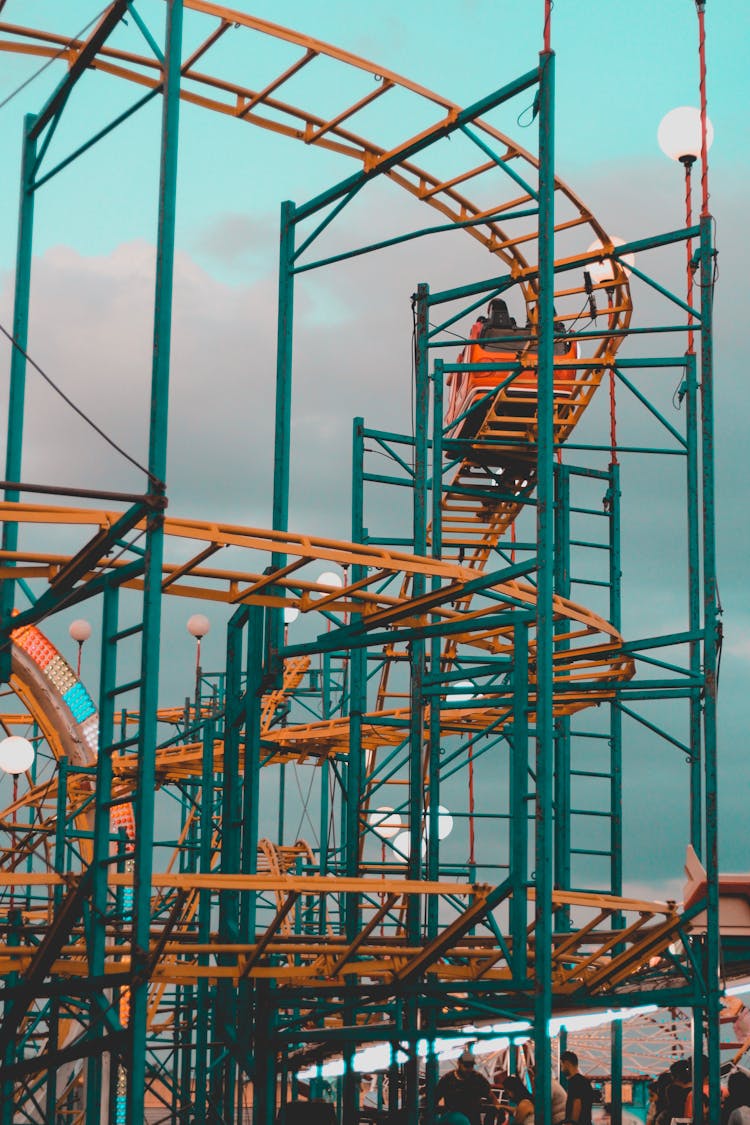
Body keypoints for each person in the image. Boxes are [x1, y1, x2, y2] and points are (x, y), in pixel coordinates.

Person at [436, 1049, 503, 1125]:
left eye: (471, 1066)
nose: (469, 1069)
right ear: (459, 1063)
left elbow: (491, 1096)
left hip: (473, 1120)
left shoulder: (478, 1078)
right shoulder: (447, 1079)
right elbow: (436, 1097)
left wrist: (499, 1109)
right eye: (466, 1066)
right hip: (454, 1120)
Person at [560, 1051, 595, 1125]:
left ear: (567, 1064)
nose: (561, 1069)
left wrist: (572, 1123)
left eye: (561, 1065)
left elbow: (577, 1104)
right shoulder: (585, 1081)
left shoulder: (574, 1082)